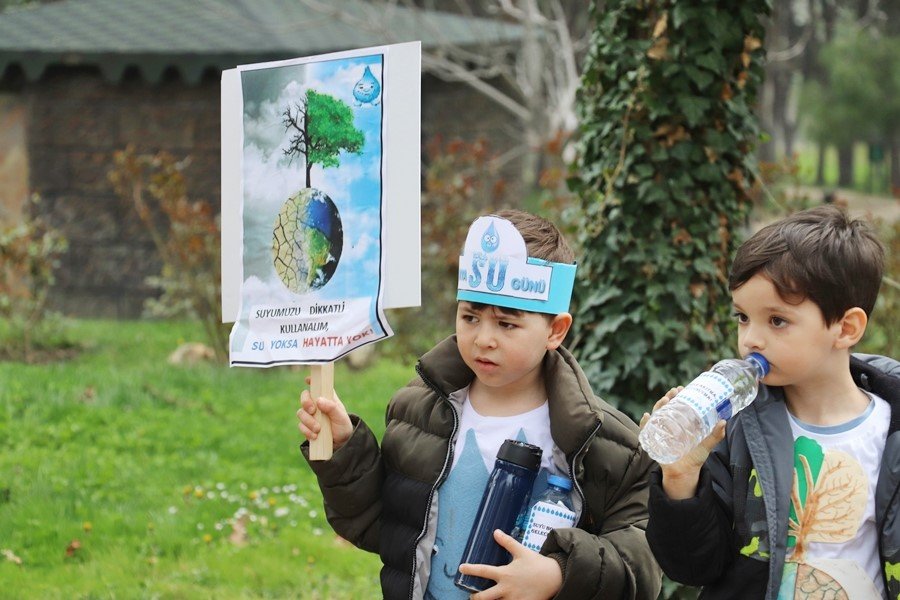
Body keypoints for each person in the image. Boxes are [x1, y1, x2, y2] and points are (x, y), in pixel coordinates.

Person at [297, 209, 662, 599]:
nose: (483, 338)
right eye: (470, 316)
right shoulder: (416, 413)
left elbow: (642, 565)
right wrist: (343, 450)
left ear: (555, 329)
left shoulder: (606, 443)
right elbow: (382, 526)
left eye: (507, 324)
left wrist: (559, 573)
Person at [643, 205, 900, 599]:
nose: (751, 340)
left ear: (845, 328)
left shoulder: (889, 433)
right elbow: (693, 566)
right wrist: (680, 478)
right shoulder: (734, 425)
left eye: (777, 321)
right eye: (742, 317)